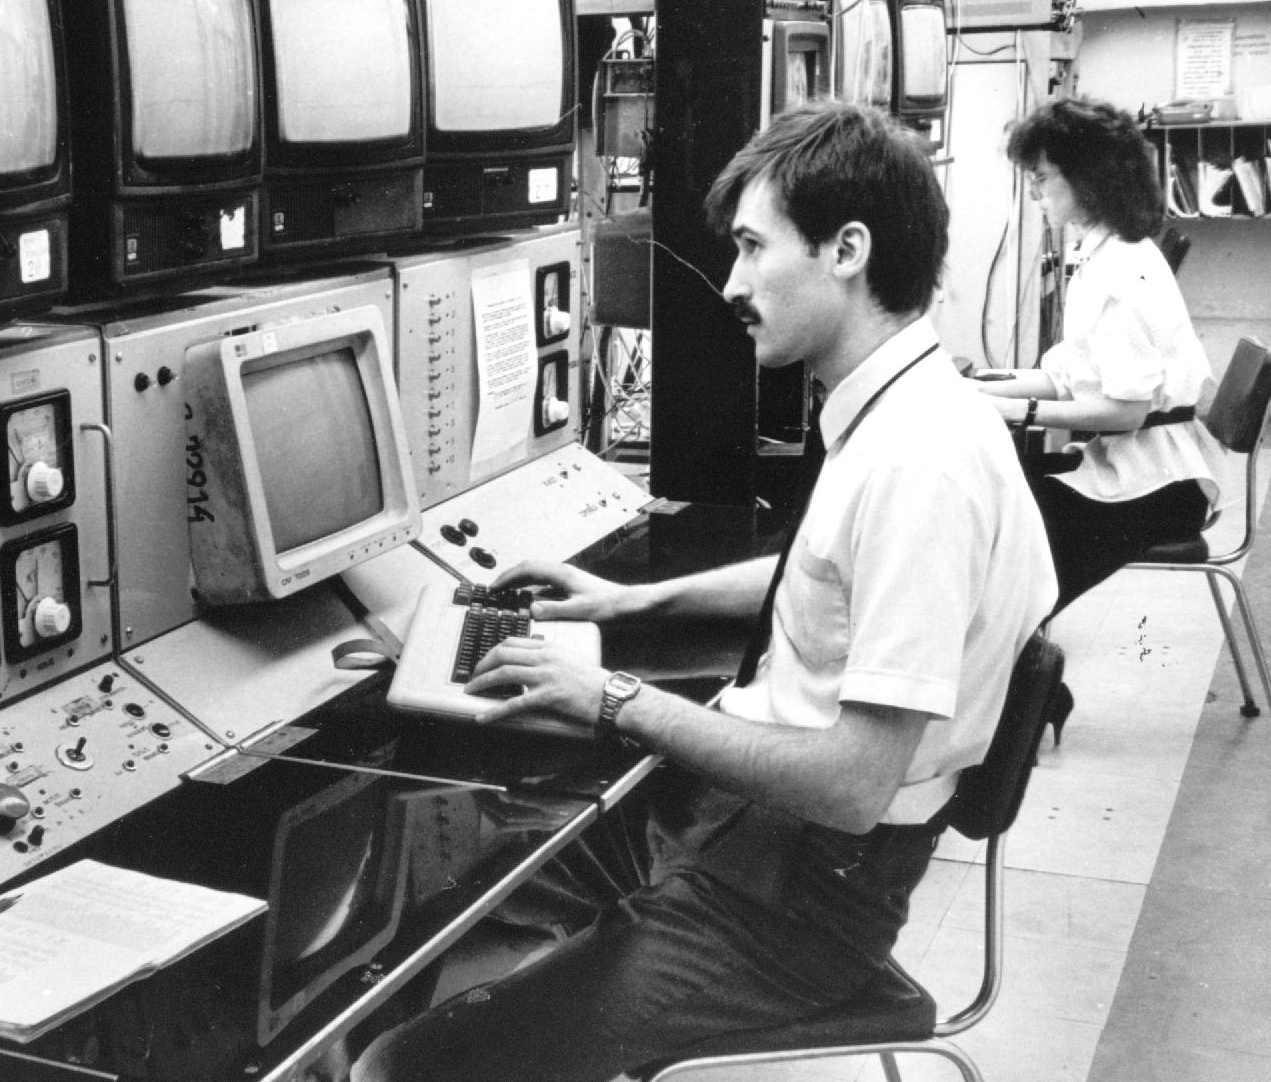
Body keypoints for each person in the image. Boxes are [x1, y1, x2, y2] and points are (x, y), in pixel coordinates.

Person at [348, 102, 1058, 1082]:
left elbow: (853, 785)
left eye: (753, 248)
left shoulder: (919, 467)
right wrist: (626, 604)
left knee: (399, 1063)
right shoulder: (914, 409)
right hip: (753, 841)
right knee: (441, 899)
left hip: (790, 908)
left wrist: (612, 696)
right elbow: (824, 573)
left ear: (847, 250)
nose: (731, 284)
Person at [975, 97, 1225, 616]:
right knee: (999, 506)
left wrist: (1013, 409)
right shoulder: (1105, 253)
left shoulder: (1119, 273)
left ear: (1088, 180)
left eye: (1042, 178)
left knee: (1006, 529)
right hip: (1142, 464)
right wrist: (975, 390)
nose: (1034, 192)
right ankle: (1012, 642)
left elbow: (1126, 412)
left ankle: (1014, 647)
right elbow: (1068, 378)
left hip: (1161, 486)